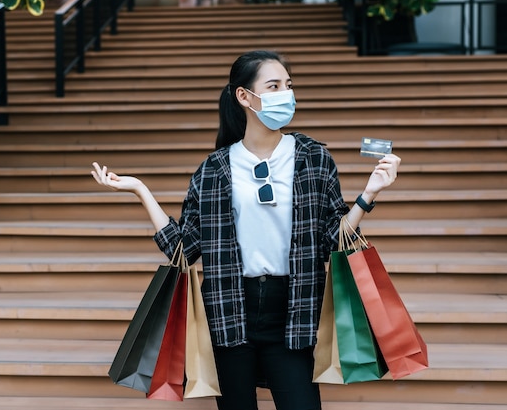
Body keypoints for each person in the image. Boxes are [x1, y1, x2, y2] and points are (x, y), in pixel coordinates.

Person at [91, 50, 400, 410]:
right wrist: (140, 190)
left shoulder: (313, 158)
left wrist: (369, 194)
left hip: (293, 310)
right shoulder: (214, 170)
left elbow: (332, 238)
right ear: (244, 96)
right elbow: (184, 249)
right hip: (228, 310)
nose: (286, 93)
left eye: (288, 85)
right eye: (273, 86)